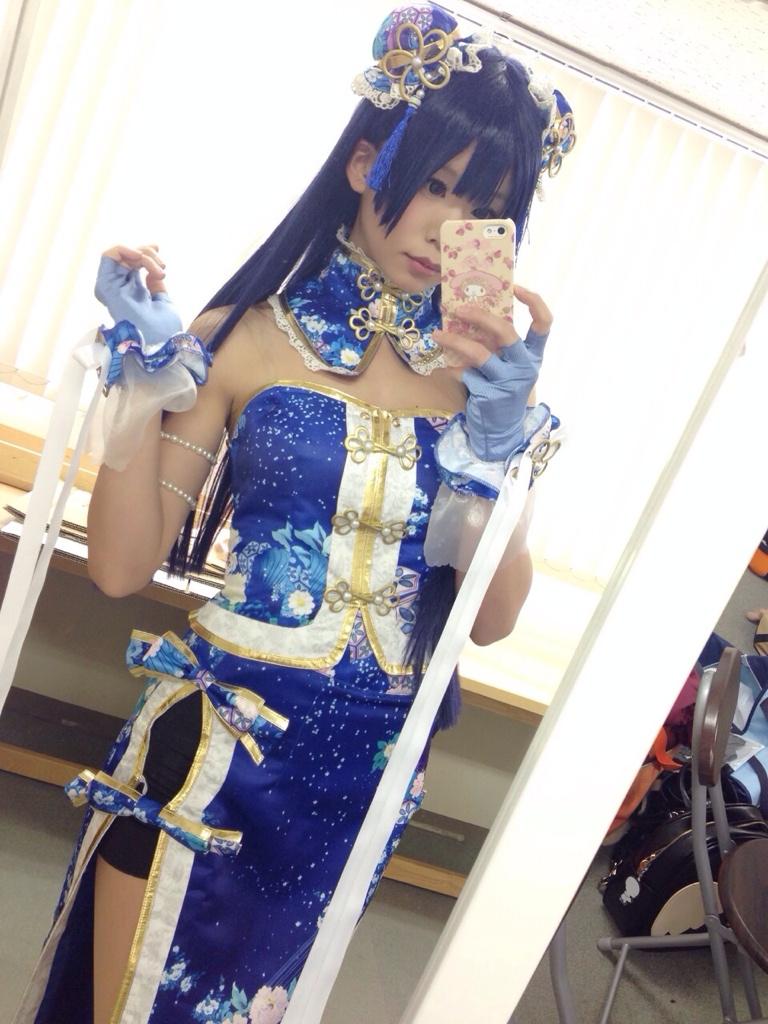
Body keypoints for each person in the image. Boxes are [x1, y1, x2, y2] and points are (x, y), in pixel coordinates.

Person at [13, 6, 575, 1023]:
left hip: (367, 778)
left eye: (483, 208)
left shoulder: (486, 386)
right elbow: (122, 566)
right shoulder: (244, 337)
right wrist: (142, 381)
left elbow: (490, 620)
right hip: (216, 751)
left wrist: (498, 451)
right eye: (434, 183)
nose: (444, 228)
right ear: (367, 163)